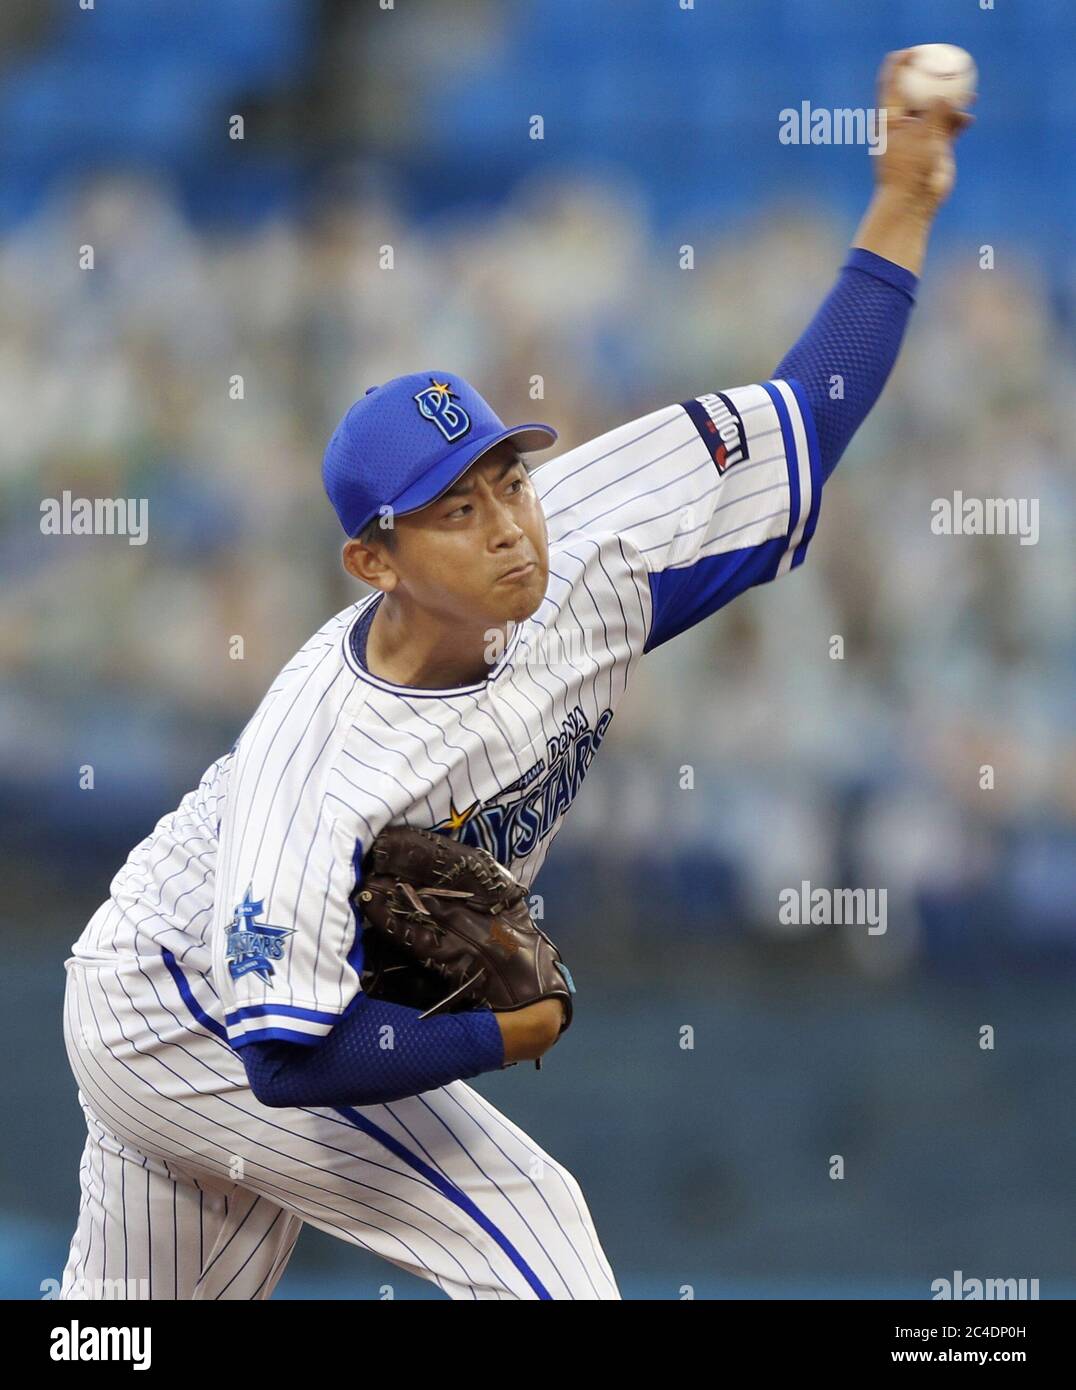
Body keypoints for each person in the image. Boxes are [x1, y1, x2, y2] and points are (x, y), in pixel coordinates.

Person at [60, 54, 969, 1300]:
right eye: (454, 509)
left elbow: (800, 417)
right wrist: (495, 1035)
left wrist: (904, 199)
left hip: (231, 1002)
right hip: (181, 1009)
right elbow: (286, 1060)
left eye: (509, 479)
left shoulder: (584, 541)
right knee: (532, 1232)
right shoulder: (314, 757)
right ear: (372, 558)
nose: (507, 526)